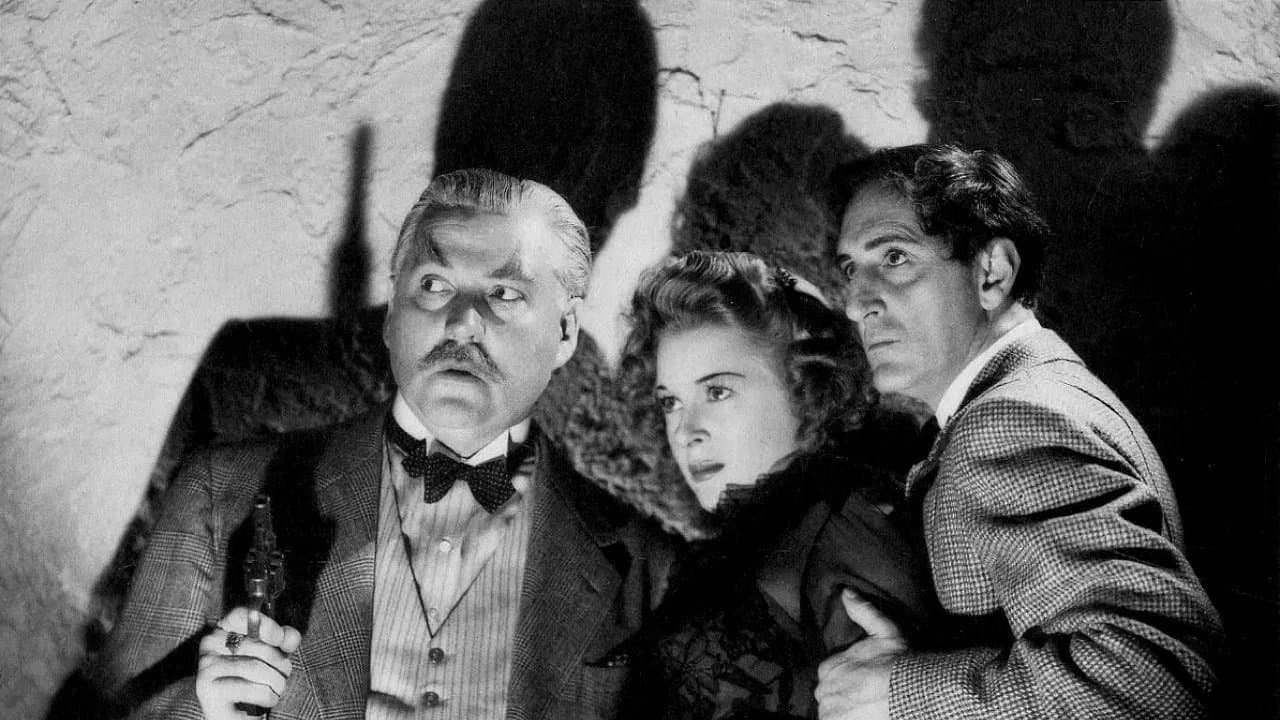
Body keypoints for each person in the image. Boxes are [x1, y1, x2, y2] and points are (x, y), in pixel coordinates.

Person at [98, 168, 674, 719]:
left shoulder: (648, 570)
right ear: (393, 312)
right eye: (434, 285)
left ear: (565, 331)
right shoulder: (221, 494)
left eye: (503, 293)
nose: (461, 323)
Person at [818, 144, 1223, 719]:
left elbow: (1154, 680)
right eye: (850, 269)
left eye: (895, 257)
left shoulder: (1009, 421)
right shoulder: (1035, 394)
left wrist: (902, 693)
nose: (857, 303)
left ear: (993, 272)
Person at [618, 251, 938, 719]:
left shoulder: (844, 532)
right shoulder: (760, 535)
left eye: (717, 392)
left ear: (803, 387)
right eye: (671, 402)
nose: (687, 432)